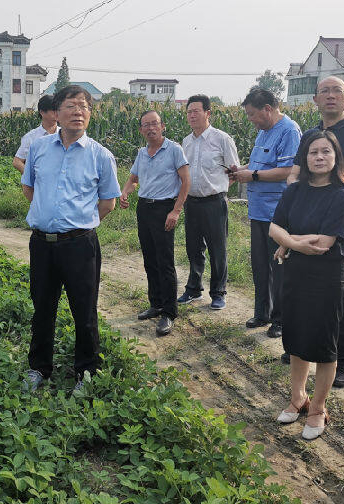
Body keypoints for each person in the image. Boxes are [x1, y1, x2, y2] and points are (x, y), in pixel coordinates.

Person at [20, 85, 121, 394]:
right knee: (43, 308)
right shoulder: (38, 148)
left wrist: (79, 225)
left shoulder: (101, 156)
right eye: (71, 106)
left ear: (89, 115)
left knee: (84, 310)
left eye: (84, 107)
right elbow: (29, 188)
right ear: (57, 112)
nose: (78, 111)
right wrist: (48, 213)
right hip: (42, 244)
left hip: (80, 245)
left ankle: (86, 371)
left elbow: (108, 203)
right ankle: (39, 367)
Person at [285, 76, 344, 385]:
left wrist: (323, 185)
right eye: (325, 91)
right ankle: (302, 348)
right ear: (315, 100)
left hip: (334, 221)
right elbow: (294, 176)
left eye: (337, 91)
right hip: (302, 220)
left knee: (340, 294)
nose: (331, 96)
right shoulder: (310, 135)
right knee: (302, 288)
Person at [270, 130, 344, 440]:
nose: (319, 157)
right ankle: (297, 397)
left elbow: (322, 244)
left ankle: (318, 408)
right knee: (296, 338)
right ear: (304, 158)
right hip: (294, 273)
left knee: (322, 343)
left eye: (326, 152)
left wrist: (287, 242)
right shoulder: (294, 191)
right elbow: (273, 227)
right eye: (313, 152)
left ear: (336, 158)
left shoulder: (341, 195)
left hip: (326, 278)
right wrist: (287, 241)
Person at [227, 88, 301, 336]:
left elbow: (288, 170)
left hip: (276, 212)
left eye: (252, 114)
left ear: (267, 110)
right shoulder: (263, 132)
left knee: (278, 265)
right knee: (259, 264)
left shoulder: (289, 131)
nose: (251, 120)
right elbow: (259, 164)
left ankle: (280, 320)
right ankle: (263, 313)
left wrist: (253, 175)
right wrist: (241, 170)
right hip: (257, 211)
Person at [119, 110, 191, 336]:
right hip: (144, 208)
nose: (150, 128)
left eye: (154, 124)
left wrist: (176, 211)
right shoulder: (142, 153)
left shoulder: (174, 150)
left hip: (164, 209)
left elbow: (186, 180)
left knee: (165, 261)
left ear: (163, 126)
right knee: (150, 258)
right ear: (141, 130)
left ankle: (169, 312)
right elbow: (133, 178)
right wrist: (125, 192)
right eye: (145, 125)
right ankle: (156, 303)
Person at [177, 95, 240, 310]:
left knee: (217, 249)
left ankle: (218, 292)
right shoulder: (186, 142)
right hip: (191, 202)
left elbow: (234, 172)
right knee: (194, 248)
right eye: (189, 112)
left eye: (196, 111)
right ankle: (193, 289)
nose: (192, 115)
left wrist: (217, 188)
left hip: (214, 203)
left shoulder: (222, 139)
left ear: (208, 113)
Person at [13, 95, 59, 174]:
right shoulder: (31, 137)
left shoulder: (66, 134)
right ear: (42, 112)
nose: (57, 114)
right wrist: (31, 177)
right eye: (53, 111)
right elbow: (17, 162)